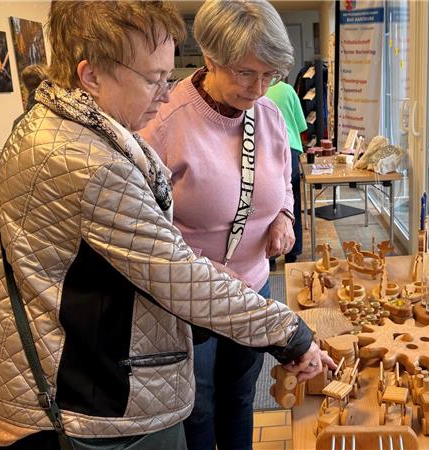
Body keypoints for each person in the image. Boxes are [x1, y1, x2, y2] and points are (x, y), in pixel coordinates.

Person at [0, 2, 332, 449]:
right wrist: (292, 335)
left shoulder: (54, 125)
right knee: (200, 411)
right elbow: (176, 274)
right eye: (154, 79)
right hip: (78, 395)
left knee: (233, 401)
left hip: (80, 371)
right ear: (91, 76)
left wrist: (283, 216)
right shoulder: (92, 163)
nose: (166, 94)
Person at [138, 2, 299, 449]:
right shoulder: (164, 122)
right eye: (247, 73)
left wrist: (284, 215)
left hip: (253, 289)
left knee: (241, 396)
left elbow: (282, 180)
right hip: (192, 305)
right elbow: (145, 226)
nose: (260, 88)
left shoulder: (268, 114)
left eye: (270, 75)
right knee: (199, 405)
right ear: (210, 59)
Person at [266, 81, 307, 264]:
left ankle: (271, 256)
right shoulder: (288, 90)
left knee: (269, 202)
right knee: (293, 201)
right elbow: (300, 125)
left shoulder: (253, 89)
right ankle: (293, 252)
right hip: (290, 148)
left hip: (265, 148)